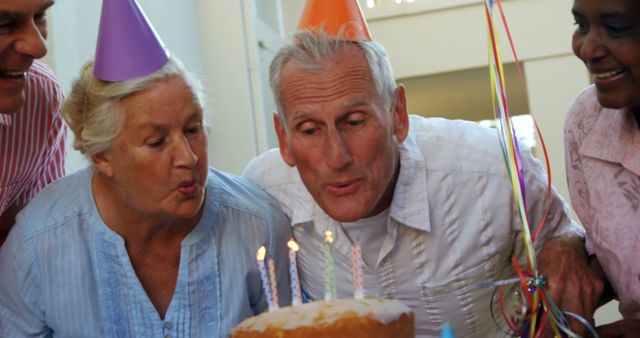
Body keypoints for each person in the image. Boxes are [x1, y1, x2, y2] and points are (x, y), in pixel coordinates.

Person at [244, 28, 602, 337]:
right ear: (283, 137)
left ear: (398, 113)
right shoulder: (263, 192)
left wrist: (565, 244)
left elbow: (563, 241)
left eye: (354, 122)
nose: (337, 157)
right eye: (309, 130)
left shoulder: (493, 171)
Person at [0, 56, 293, 337]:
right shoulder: (37, 245)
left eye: (193, 129)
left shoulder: (259, 226)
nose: (188, 158)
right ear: (101, 155)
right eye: (157, 142)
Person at [566, 0, 640, 336]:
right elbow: (616, 252)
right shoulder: (586, 120)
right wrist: (575, 274)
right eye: (581, 24)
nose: (587, 49)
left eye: (616, 28)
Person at [0, 0, 65, 246]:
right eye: (4, 24)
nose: (39, 47)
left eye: (40, 15)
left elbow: (41, 243)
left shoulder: (40, 98)